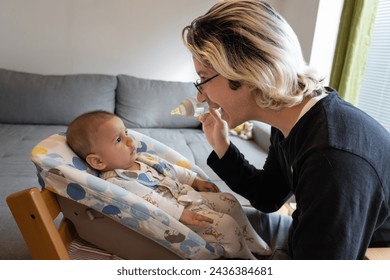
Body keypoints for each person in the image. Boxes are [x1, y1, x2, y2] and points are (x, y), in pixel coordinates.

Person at [182, 0, 390, 259]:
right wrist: (222, 147)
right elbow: (268, 196)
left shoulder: (332, 157)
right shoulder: (293, 120)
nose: (200, 96)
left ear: (248, 72)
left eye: (204, 79)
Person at [66, 110, 271, 259]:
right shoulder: (117, 182)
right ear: (98, 162)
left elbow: (172, 170)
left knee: (230, 201)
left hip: (189, 197)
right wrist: (183, 215)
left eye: (126, 132)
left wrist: (194, 180)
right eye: (119, 140)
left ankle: (253, 241)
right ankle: (246, 259)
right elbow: (152, 202)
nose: (130, 141)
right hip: (177, 219)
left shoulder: (142, 158)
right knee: (225, 225)